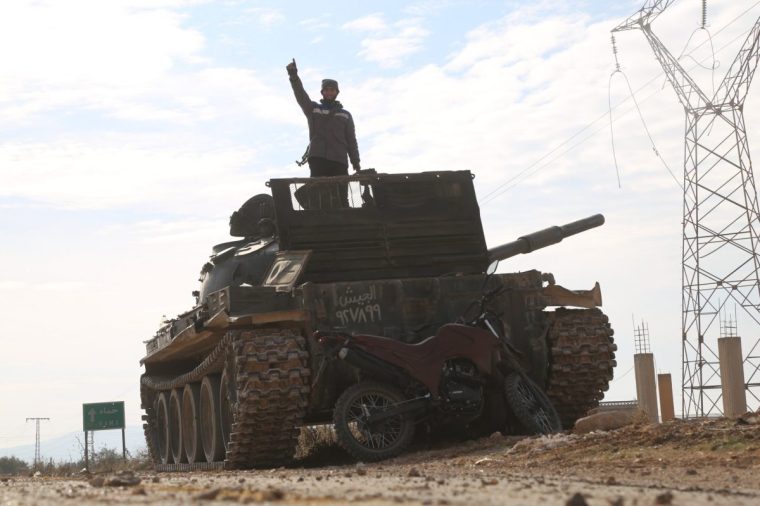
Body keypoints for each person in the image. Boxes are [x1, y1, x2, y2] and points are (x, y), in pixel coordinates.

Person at [286, 59, 361, 177]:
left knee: (340, 194)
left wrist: (355, 162)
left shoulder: (346, 115)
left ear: (337, 92)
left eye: (332, 90)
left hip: (339, 160)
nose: (329, 92)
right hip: (318, 159)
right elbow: (301, 95)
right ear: (322, 92)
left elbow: (351, 140)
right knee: (318, 193)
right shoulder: (313, 110)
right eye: (326, 90)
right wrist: (293, 76)